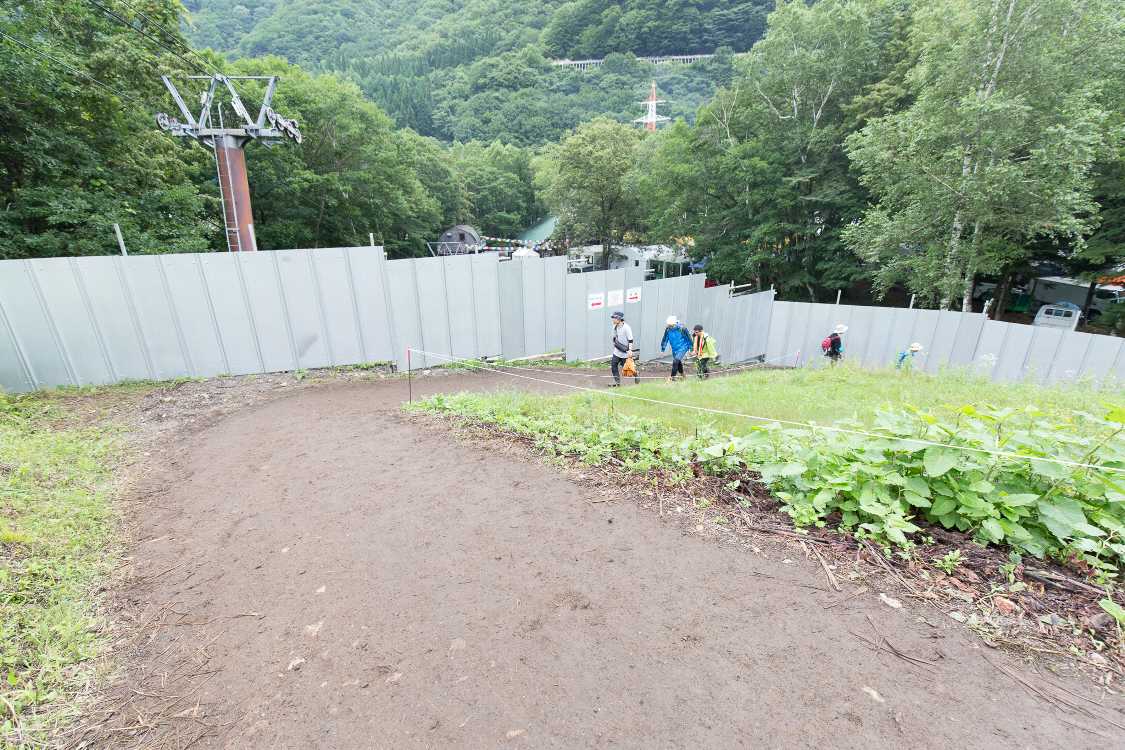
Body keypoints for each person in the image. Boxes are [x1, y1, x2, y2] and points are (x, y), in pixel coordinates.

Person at [660, 315, 693, 380]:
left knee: (675, 361)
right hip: (675, 348)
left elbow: (689, 339)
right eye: (669, 325)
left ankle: (672, 378)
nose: (670, 327)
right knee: (678, 362)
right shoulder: (668, 329)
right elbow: (665, 339)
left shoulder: (682, 328)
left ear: (675, 323)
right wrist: (662, 350)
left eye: (671, 325)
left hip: (683, 347)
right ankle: (683, 375)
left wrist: (691, 349)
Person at [609, 311, 635, 387]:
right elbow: (615, 337)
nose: (613, 319)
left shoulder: (627, 328)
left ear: (619, 319)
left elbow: (631, 340)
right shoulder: (615, 327)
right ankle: (617, 383)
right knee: (613, 366)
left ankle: (636, 375)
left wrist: (630, 350)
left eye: (614, 318)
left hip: (625, 352)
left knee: (628, 368)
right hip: (617, 351)